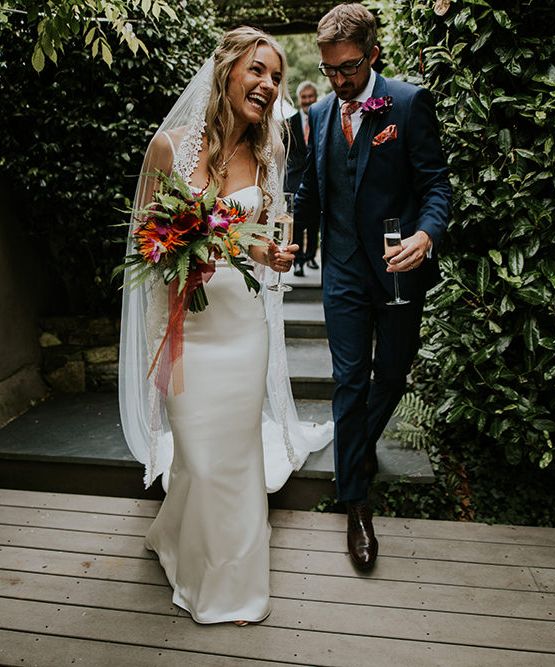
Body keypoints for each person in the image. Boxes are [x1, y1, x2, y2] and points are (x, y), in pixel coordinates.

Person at [118, 27, 333, 625]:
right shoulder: (170, 148)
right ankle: (180, 542)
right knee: (201, 457)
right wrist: (174, 264)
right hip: (193, 326)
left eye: (275, 76)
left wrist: (271, 255)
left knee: (232, 459)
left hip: (243, 327)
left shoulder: (270, 154)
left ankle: (232, 585)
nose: (268, 84)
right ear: (226, 72)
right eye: (257, 71)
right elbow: (144, 242)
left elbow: (260, 236)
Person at [295, 4, 451, 571]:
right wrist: (288, 229)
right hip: (340, 271)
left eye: (350, 68)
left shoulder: (408, 104)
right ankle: (355, 503)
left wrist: (426, 236)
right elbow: (313, 188)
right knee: (347, 378)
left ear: (374, 54)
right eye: (330, 69)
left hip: (397, 268)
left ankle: (354, 450)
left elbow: (436, 186)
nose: (339, 81)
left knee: (394, 370)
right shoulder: (318, 118)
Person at [285, 81, 320, 277]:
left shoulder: (321, 118)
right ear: (299, 100)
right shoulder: (289, 121)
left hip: (316, 181)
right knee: (296, 222)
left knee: (315, 222)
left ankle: (310, 256)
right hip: (294, 180)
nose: (307, 101)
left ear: (315, 98)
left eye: (310, 97)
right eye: (304, 98)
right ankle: (298, 261)